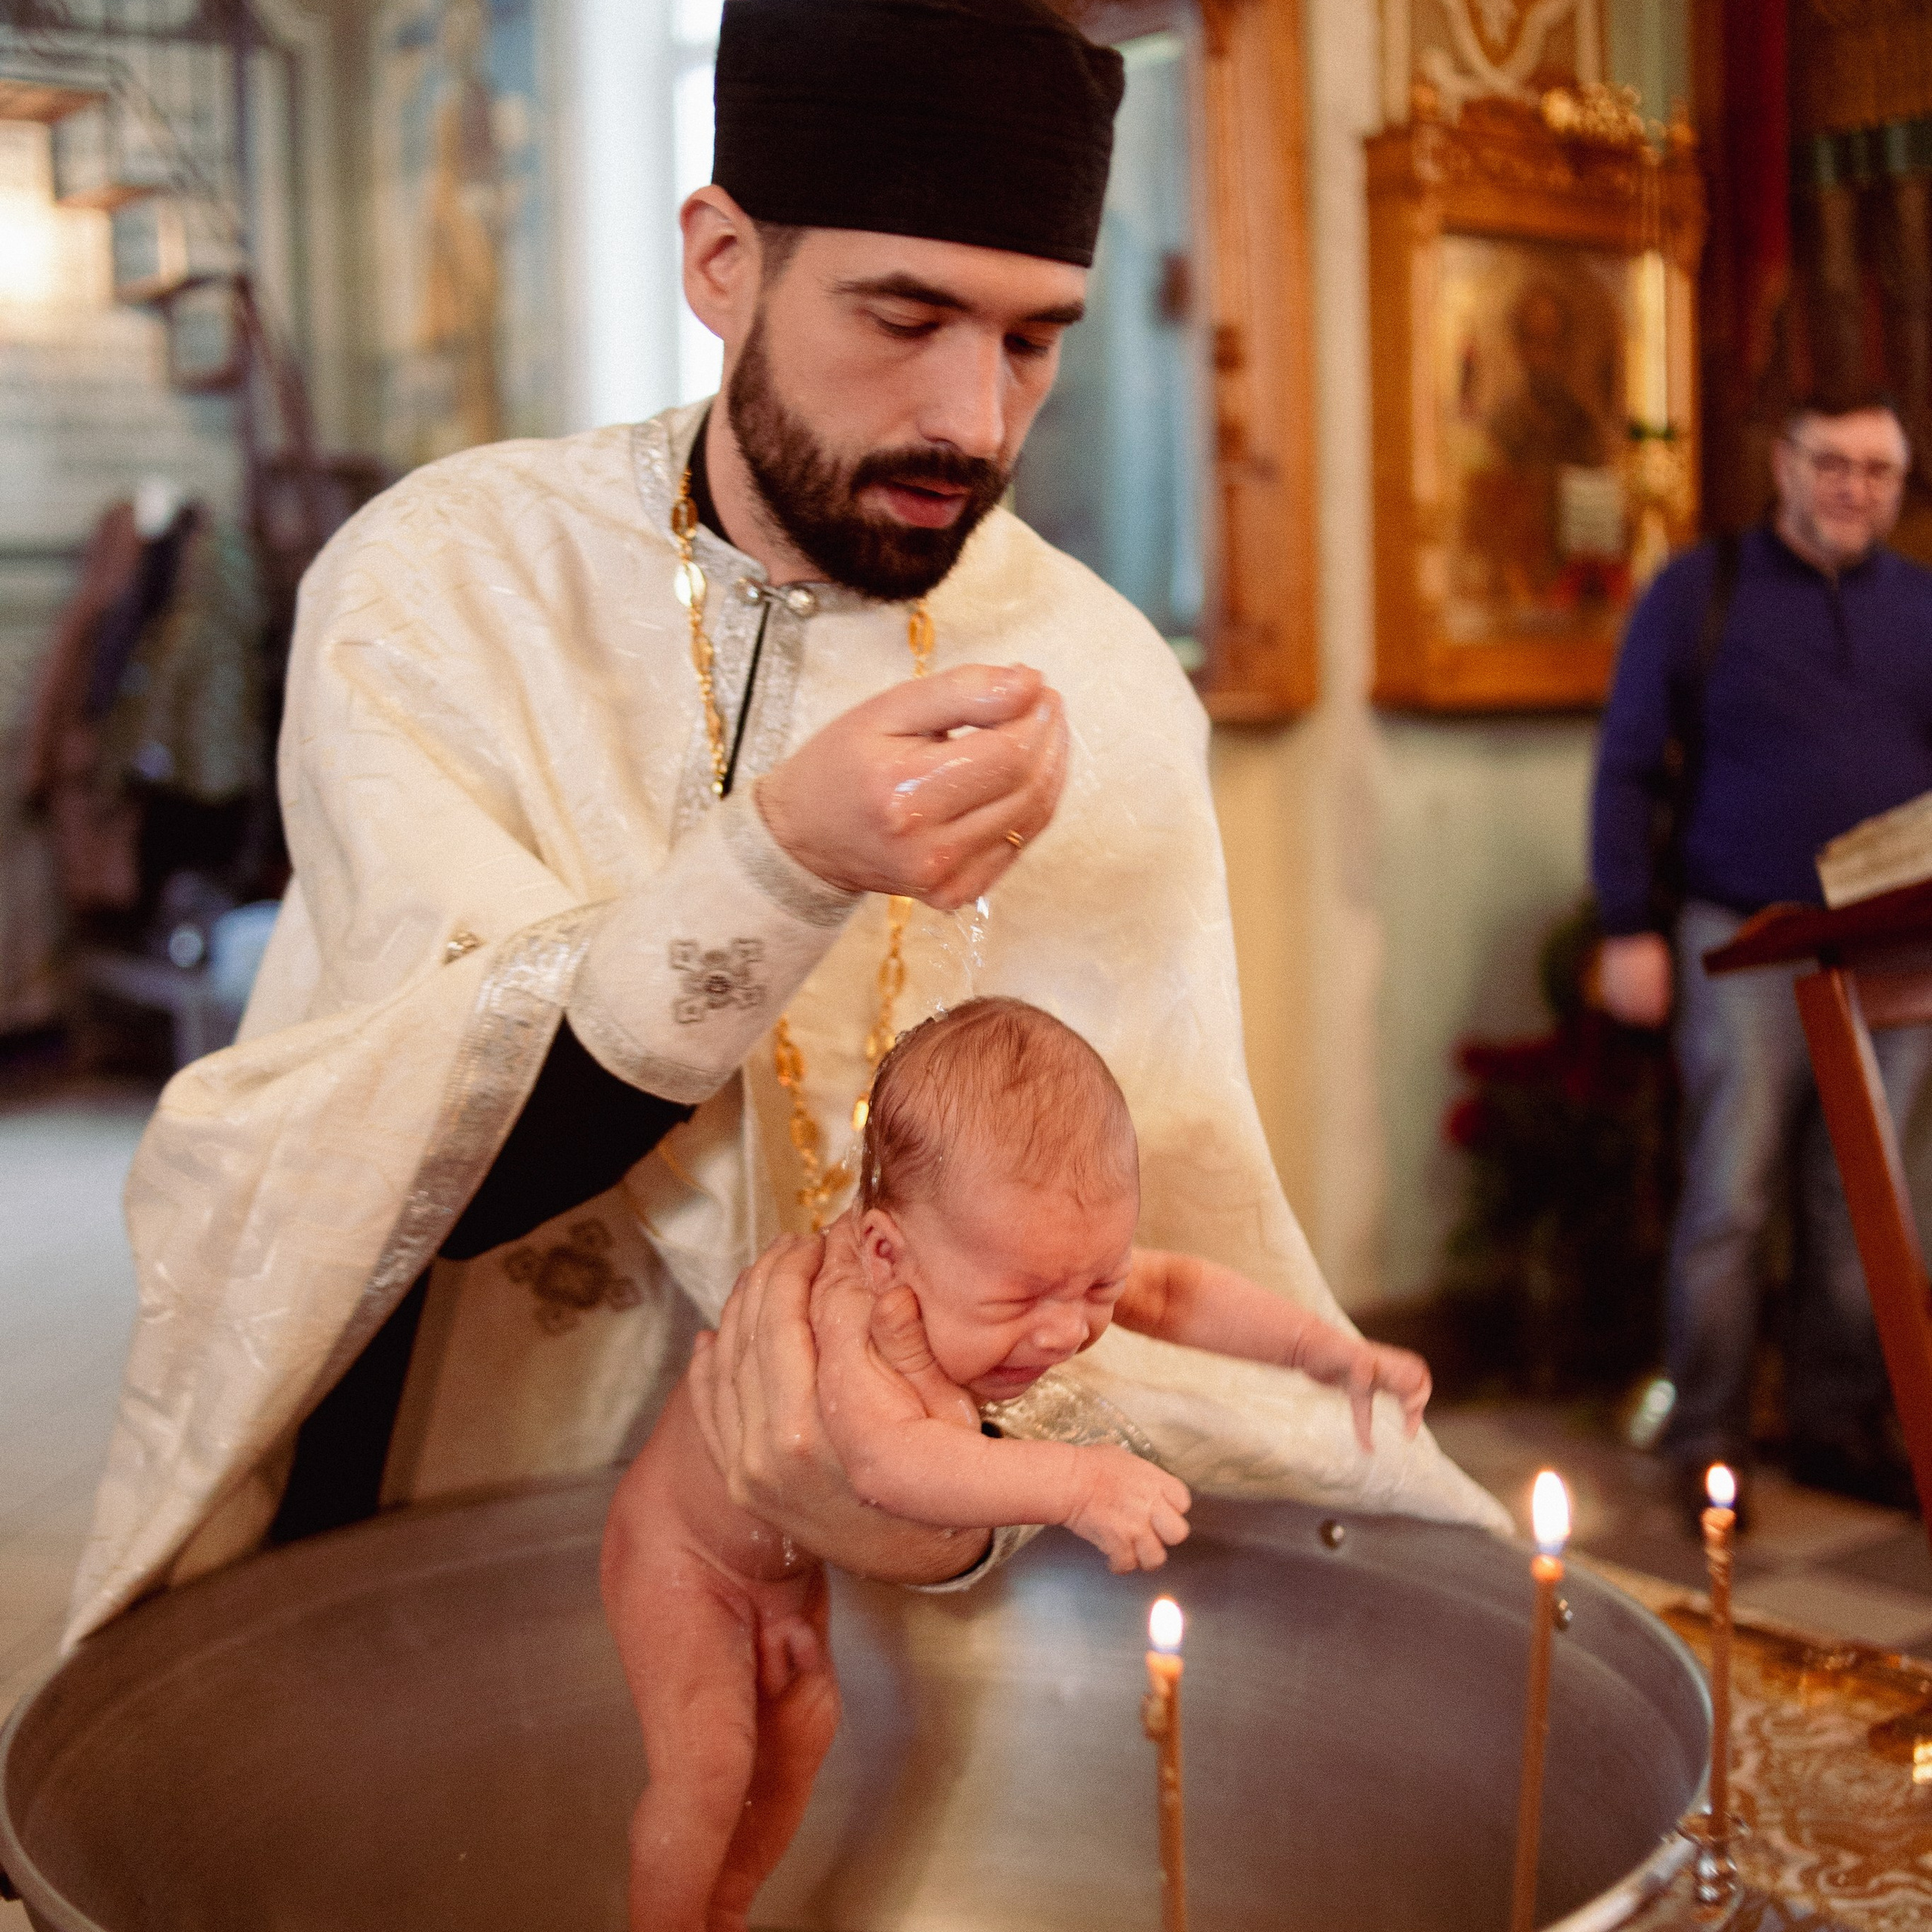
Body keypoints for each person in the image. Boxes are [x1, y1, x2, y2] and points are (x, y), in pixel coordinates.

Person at [68, 0, 1503, 1650]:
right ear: (721, 260)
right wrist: (781, 864)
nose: (972, 417)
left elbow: (1125, 1245)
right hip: (436, 1484)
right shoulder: (447, 581)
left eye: (1033, 340)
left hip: (909, 1530)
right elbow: (414, 1167)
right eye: (902, 315)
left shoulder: (1096, 684)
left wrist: (944, 1486)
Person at [602, 999, 1430, 1932]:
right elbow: (887, 1463)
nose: (1067, 1328)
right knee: (708, 1769)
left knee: (800, 1734)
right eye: (1021, 1296)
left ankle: (726, 1912)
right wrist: (1078, 1480)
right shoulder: (854, 1313)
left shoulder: (1010, 1261)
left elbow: (1171, 1287)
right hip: (685, 1559)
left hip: (776, 1569)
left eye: (1095, 1285)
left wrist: (1324, 1350)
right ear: (885, 1250)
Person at [1592, 391, 1932, 1523]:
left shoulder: (1921, 607)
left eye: (1879, 471)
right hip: (1738, 940)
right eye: (1832, 462)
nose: (1855, 488)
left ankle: (1841, 1426)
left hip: (1890, 951)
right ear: (1783, 461)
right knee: (1731, 1197)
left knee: (1867, 1204)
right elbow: (1629, 764)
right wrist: (1629, 925)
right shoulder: (1701, 589)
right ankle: (1707, 1440)